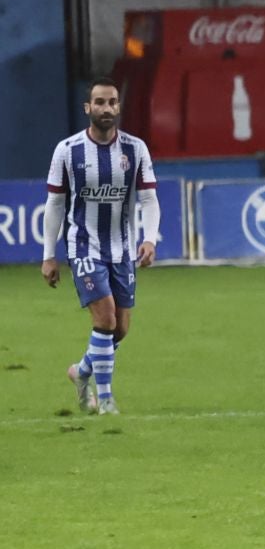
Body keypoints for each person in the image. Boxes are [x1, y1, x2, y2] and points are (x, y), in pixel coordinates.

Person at [41, 76, 159, 416]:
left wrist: (149, 237)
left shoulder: (135, 149)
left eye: (112, 102)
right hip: (83, 248)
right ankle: (106, 401)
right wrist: (49, 255)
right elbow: (55, 206)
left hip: (122, 249)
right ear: (88, 107)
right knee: (105, 319)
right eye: (100, 102)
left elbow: (150, 199)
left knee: (119, 329)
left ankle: (81, 372)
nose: (106, 108)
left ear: (118, 107)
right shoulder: (67, 150)